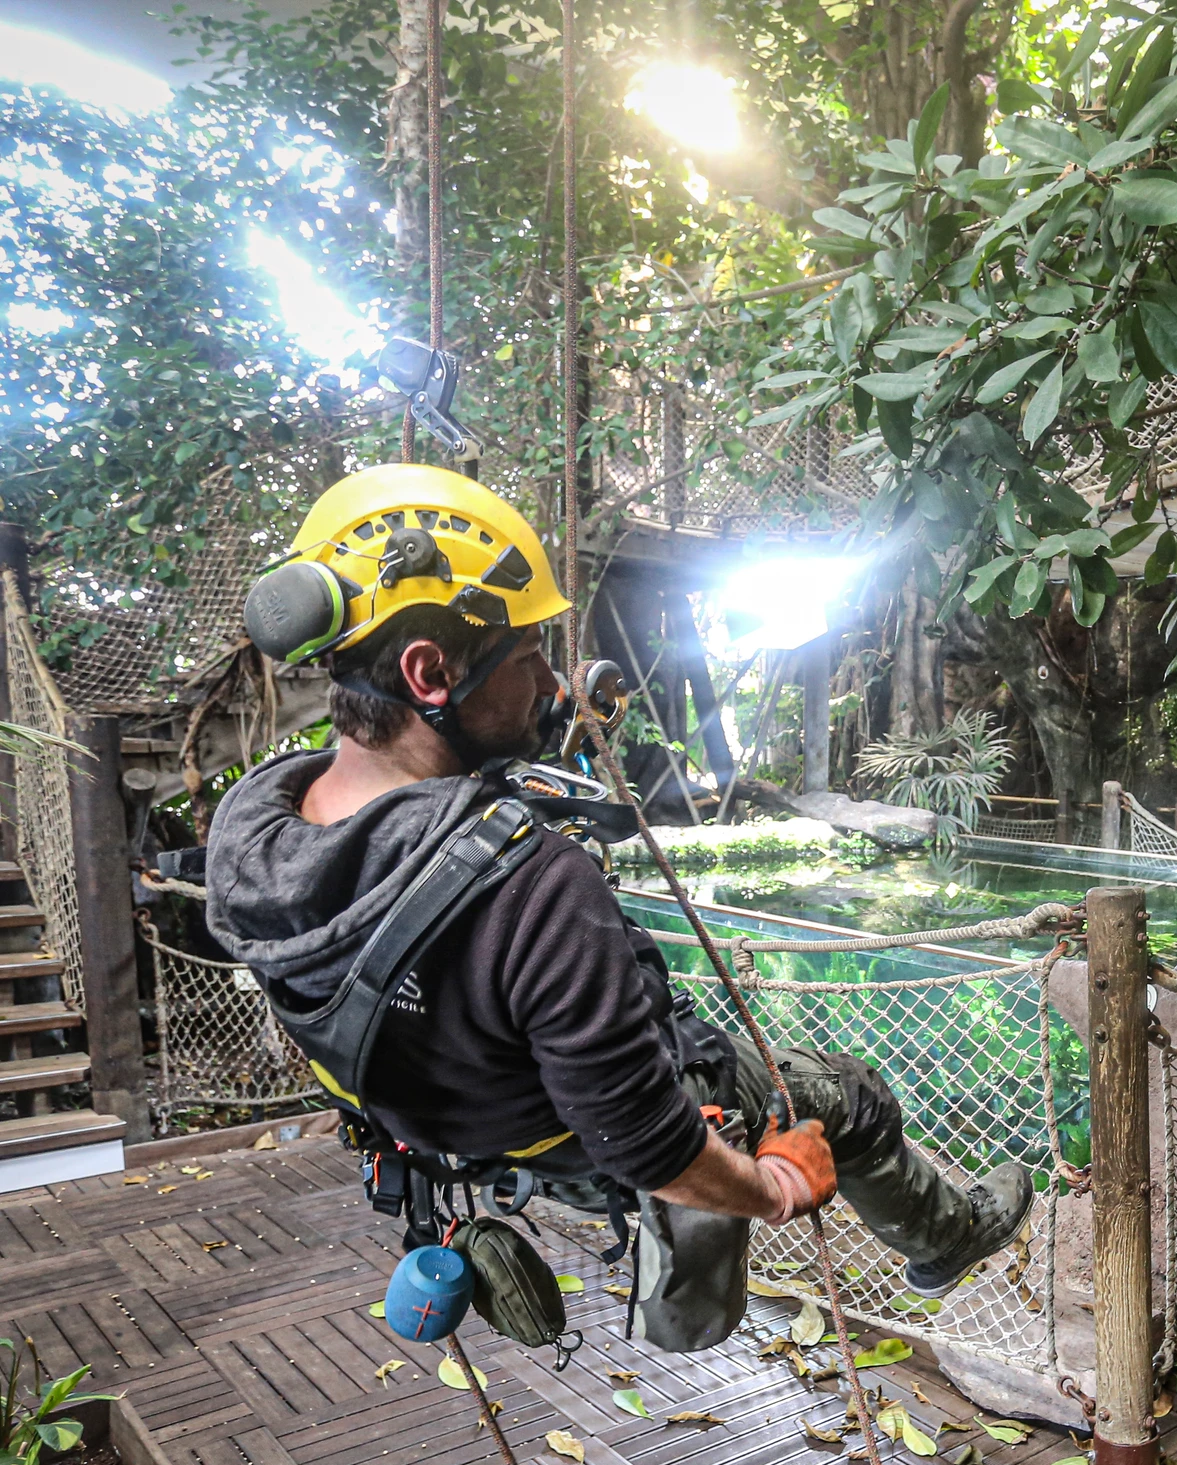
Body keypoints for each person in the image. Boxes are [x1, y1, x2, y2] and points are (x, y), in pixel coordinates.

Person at [204, 464, 1030, 1350]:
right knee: (850, 1097)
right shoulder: (534, 888)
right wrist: (777, 1187)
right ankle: (945, 1237)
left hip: (441, 1128)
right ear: (429, 670)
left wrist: (520, 723)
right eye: (527, 661)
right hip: (578, 1140)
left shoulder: (253, 842)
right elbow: (651, 1147)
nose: (548, 683)